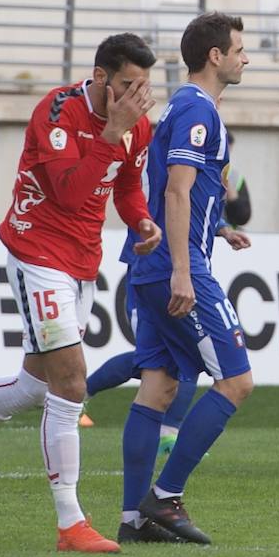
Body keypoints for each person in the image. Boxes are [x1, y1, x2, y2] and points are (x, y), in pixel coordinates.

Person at [0, 34, 162, 554]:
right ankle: (71, 522)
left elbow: (126, 186)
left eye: (145, 87)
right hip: (37, 250)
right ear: (103, 78)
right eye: (130, 85)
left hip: (83, 261)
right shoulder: (57, 111)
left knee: (34, 386)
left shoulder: (137, 126)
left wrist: (140, 221)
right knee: (71, 383)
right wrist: (111, 133)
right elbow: (66, 193)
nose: (138, 97)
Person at [117, 12, 254, 545]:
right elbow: (175, 190)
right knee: (237, 382)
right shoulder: (200, 111)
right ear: (215, 56)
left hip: (148, 262)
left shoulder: (180, 106)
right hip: (177, 267)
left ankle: (133, 520)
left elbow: (179, 193)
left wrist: (216, 226)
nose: (246, 58)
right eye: (239, 49)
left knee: (158, 386)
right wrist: (183, 270)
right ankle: (166, 497)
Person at [84, 136, 253, 448]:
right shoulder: (166, 160)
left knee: (165, 363)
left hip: (168, 270)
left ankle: (85, 394)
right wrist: (182, 271)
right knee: (168, 360)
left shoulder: (198, 165)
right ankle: (86, 394)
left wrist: (224, 229)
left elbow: (215, 209)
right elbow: (169, 203)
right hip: (155, 272)